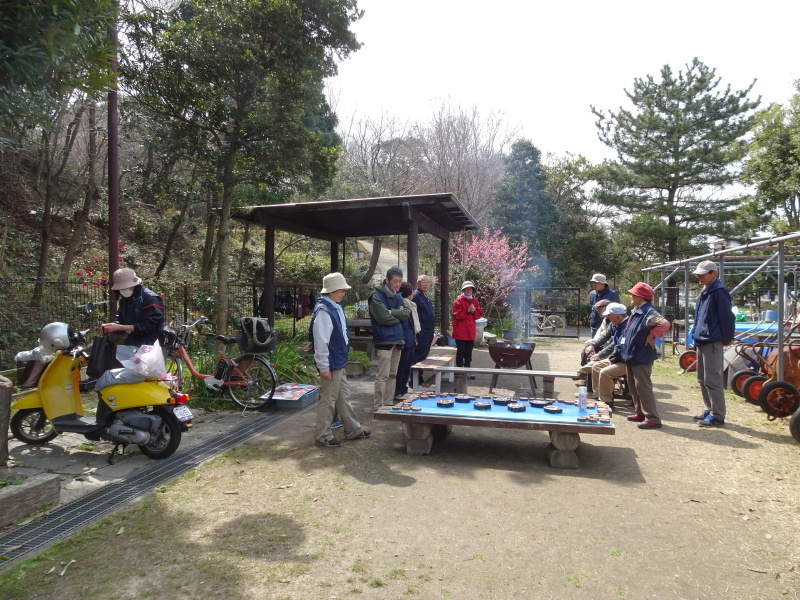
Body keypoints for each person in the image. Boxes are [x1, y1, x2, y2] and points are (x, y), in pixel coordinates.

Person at [311, 272, 370, 447]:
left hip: (337, 361)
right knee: (328, 400)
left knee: (343, 397)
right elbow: (321, 341)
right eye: (340, 290)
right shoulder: (324, 311)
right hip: (331, 363)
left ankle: (353, 429)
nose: (343, 293)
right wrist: (323, 366)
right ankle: (323, 435)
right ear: (330, 291)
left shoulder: (333, 306)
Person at [619, 283, 671, 429]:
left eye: (634, 294)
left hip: (641, 355)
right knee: (633, 386)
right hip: (633, 355)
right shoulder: (638, 310)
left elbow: (665, 324)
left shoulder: (649, 312)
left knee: (643, 387)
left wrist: (652, 335)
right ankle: (640, 413)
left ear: (641, 296)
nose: (631, 296)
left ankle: (653, 418)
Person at [691, 261, 736, 428]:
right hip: (702, 340)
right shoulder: (705, 291)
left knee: (712, 379)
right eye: (698, 274)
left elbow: (727, 317)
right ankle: (710, 409)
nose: (700, 277)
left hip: (712, 340)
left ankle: (718, 415)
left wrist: (726, 338)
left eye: (703, 274)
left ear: (714, 273)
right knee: (702, 379)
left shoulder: (719, 291)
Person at [368, 266, 411, 409]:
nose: (398, 284)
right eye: (395, 281)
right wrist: (397, 315)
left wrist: (392, 312)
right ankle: (378, 404)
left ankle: (387, 403)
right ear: (387, 280)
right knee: (383, 375)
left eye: (400, 281)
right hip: (384, 340)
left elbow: (406, 313)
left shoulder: (399, 296)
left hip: (398, 339)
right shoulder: (376, 296)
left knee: (393, 374)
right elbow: (382, 318)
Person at [102, 268, 164, 347]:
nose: (122, 291)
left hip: (152, 344)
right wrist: (113, 326)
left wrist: (120, 327)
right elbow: (122, 321)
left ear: (134, 285)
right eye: (120, 289)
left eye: (125, 288)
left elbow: (149, 326)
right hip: (133, 342)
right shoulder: (124, 301)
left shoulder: (150, 299)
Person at [587, 303, 629, 405]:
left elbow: (616, 345)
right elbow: (604, 336)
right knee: (596, 367)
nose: (607, 318)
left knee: (605, 372)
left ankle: (606, 401)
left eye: (609, 316)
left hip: (626, 360)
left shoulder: (627, 327)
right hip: (617, 358)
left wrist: (600, 355)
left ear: (617, 317)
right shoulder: (614, 324)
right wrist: (593, 345)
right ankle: (598, 395)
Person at [395, 281, 421, 399]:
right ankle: (398, 390)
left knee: (406, 366)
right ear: (409, 293)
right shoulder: (404, 304)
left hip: (410, 339)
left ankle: (403, 389)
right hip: (405, 339)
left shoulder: (410, 305)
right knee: (402, 367)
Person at [452, 281, 483, 379]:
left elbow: (479, 314)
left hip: (470, 332)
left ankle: (467, 371)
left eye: (470, 289)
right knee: (460, 352)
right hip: (460, 332)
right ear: (463, 290)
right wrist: (468, 311)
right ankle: (459, 371)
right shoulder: (458, 301)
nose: (469, 290)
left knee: (468, 353)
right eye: (467, 289)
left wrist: (473, 312)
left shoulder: (475, 301)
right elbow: (457, 315)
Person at [412, 275, 436, 364]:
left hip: (428, 330)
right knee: (419, 352)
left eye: (427, 282)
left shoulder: (425, 296)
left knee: (425, 352)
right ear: (417, 283)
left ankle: (419, 375)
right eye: (423, 282)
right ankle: (414, 375)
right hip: (421, 331)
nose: (426, 284)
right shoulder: (415, 296)